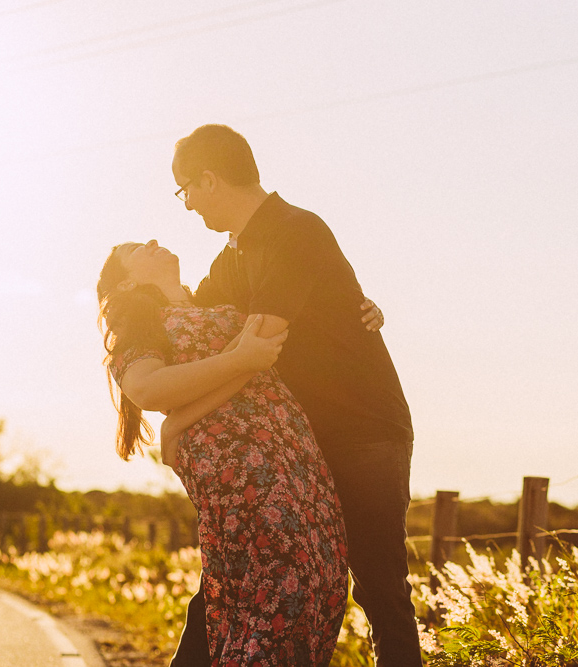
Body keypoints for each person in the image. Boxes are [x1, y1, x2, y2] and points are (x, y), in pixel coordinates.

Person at [167, 124, 421, 667]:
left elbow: (257, 342)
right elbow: (193, 325)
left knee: (379, 588)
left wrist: (178, 417)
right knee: (237, 572)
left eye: (185, 190)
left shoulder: (294, 230)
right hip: (297, 444)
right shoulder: (233, 257)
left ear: (209, 180)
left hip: (362, 431)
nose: (186, 206)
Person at [97, 239, 353, 666]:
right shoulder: (141, 320)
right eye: (138, 248)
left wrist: (362, 310)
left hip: (291, 448)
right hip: (234, 459)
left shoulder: (215, 298)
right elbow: (146, 388)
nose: (155, 243)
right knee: (280, 586)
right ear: (127, 281)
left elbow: (281, 331)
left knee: (320, 577)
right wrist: (241, 361)